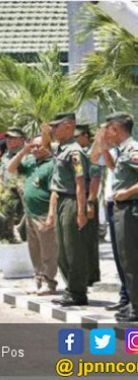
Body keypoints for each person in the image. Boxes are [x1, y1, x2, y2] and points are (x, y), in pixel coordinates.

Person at [44, 112, 91, 306]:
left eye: (57, 126)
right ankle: (70, 288)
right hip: (62, 200)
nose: (53, 130)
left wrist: (81, 211)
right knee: (62, 249)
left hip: (72, 200)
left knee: (74, 249)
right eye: (52, 127)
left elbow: (80, 183)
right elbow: (46, 140)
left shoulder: (74, 152)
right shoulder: (61, 149)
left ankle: (78, 292)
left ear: (69, 126)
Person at [95, 112, 138, 322]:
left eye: (107, 129)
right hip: (122, 209)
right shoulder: (123, 151)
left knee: (131, 259)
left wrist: (127, 193)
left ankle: (136, 308)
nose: (105, 133)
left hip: (131, 209)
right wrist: (103, 146)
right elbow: (115, 168)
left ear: (115, 129)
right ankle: (133, 302)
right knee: (125, 258)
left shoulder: (133, 149)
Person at [8, 136, 58, 295]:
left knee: (48, 251)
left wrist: (51, 214)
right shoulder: (30, 163)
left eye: (39, 146)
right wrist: (23, 151)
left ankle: (49, 282)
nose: (35, 149)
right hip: (30, 213)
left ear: (48, 147)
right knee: (34, 250)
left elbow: (55, 192)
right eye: (33, 146)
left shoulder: (52, 165)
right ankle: (38, 279)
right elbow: (10, 168)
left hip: (44, 214)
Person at [90, 127, 129, 312]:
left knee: (127, 255)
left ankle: (130, 298)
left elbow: (112, 165)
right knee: (119, 255)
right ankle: (125, 296)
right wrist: (100, 141)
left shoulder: (129, 150)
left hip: (125, 204)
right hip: (111, 204)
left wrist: (104, 145)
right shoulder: (113, 151)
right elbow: (93, 158)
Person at [75, 124, 103, 285]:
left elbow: (95, 177)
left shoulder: (93, 152)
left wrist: (90, 202)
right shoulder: (78, 152)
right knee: (80, 238)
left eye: (77, 136)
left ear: (85, 135)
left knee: (89, 239)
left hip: (88, 196)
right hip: (79, 196)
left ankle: (91, 276)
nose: (75, 139)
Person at [0, 127, 25, 243]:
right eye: (7, 138)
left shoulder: (26, 155)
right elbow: (1, 177)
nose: (8, 140)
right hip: (7, 192)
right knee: (3, 221)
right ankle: (7, 243)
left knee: (22, 225)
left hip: (20, 193)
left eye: (12, 138)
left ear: (22, 140)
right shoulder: (6, 155)